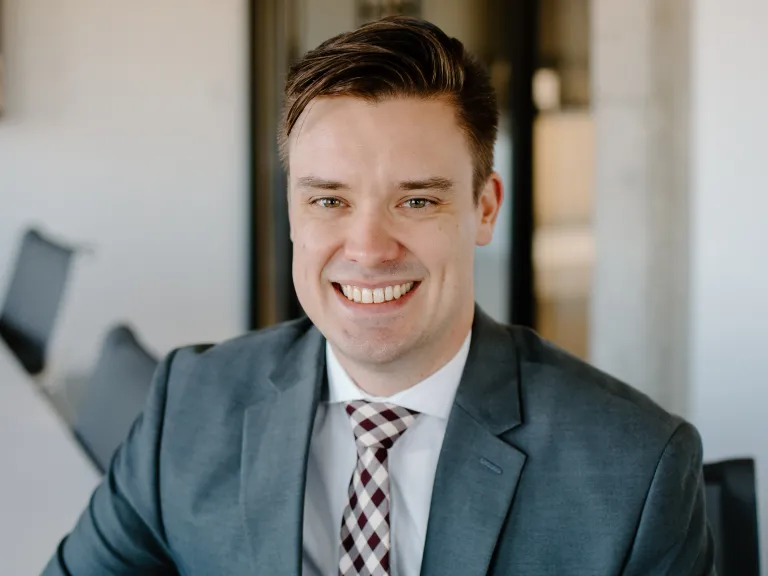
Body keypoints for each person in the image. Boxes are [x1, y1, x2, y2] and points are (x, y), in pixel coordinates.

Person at [44, 16, 714, 576]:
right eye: (328, 199)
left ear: (485, 208)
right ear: (291, 211)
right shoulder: (189, 406)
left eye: (416, 199)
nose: (367, 248)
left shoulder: (636, 472)